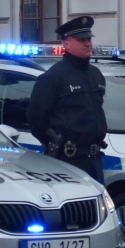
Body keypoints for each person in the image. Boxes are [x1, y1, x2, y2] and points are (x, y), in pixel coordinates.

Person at [26, 16, 108, 184]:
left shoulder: (96, 74)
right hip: (67, 160)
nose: (88, 43)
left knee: (96, 209)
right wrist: (56, 142)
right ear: (67, 44)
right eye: (81, 40)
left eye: (89, 39)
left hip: (94, 160)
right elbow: (36, 118)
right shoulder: (54, 77)